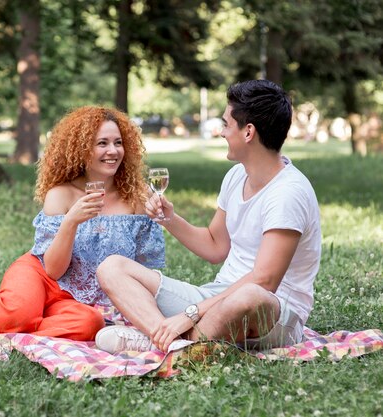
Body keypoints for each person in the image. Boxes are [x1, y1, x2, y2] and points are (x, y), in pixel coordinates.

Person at [95, 80, 322, 353]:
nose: (221, 132)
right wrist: (170, 219)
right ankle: (171, 341)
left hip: (274, 313)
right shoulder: (237, 175)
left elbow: (264, 281)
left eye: (226, 124)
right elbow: (215, 246)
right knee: (112, 267)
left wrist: (190, 313)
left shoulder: (288, 193)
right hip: (217, 296)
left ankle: (161, 339)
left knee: (248, 296)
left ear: (248, 132)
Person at [0, 106, 165, 340]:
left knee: (89, 323)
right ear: (81, 149)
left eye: (118, 142)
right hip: (41, 275)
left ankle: (2, 329)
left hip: (77, 301)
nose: (113, 151)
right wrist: (71, 221)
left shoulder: (137, 198)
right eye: (102, 143)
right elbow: (52, 270)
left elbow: (143, 268)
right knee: (20, 311)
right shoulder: (60, 195)